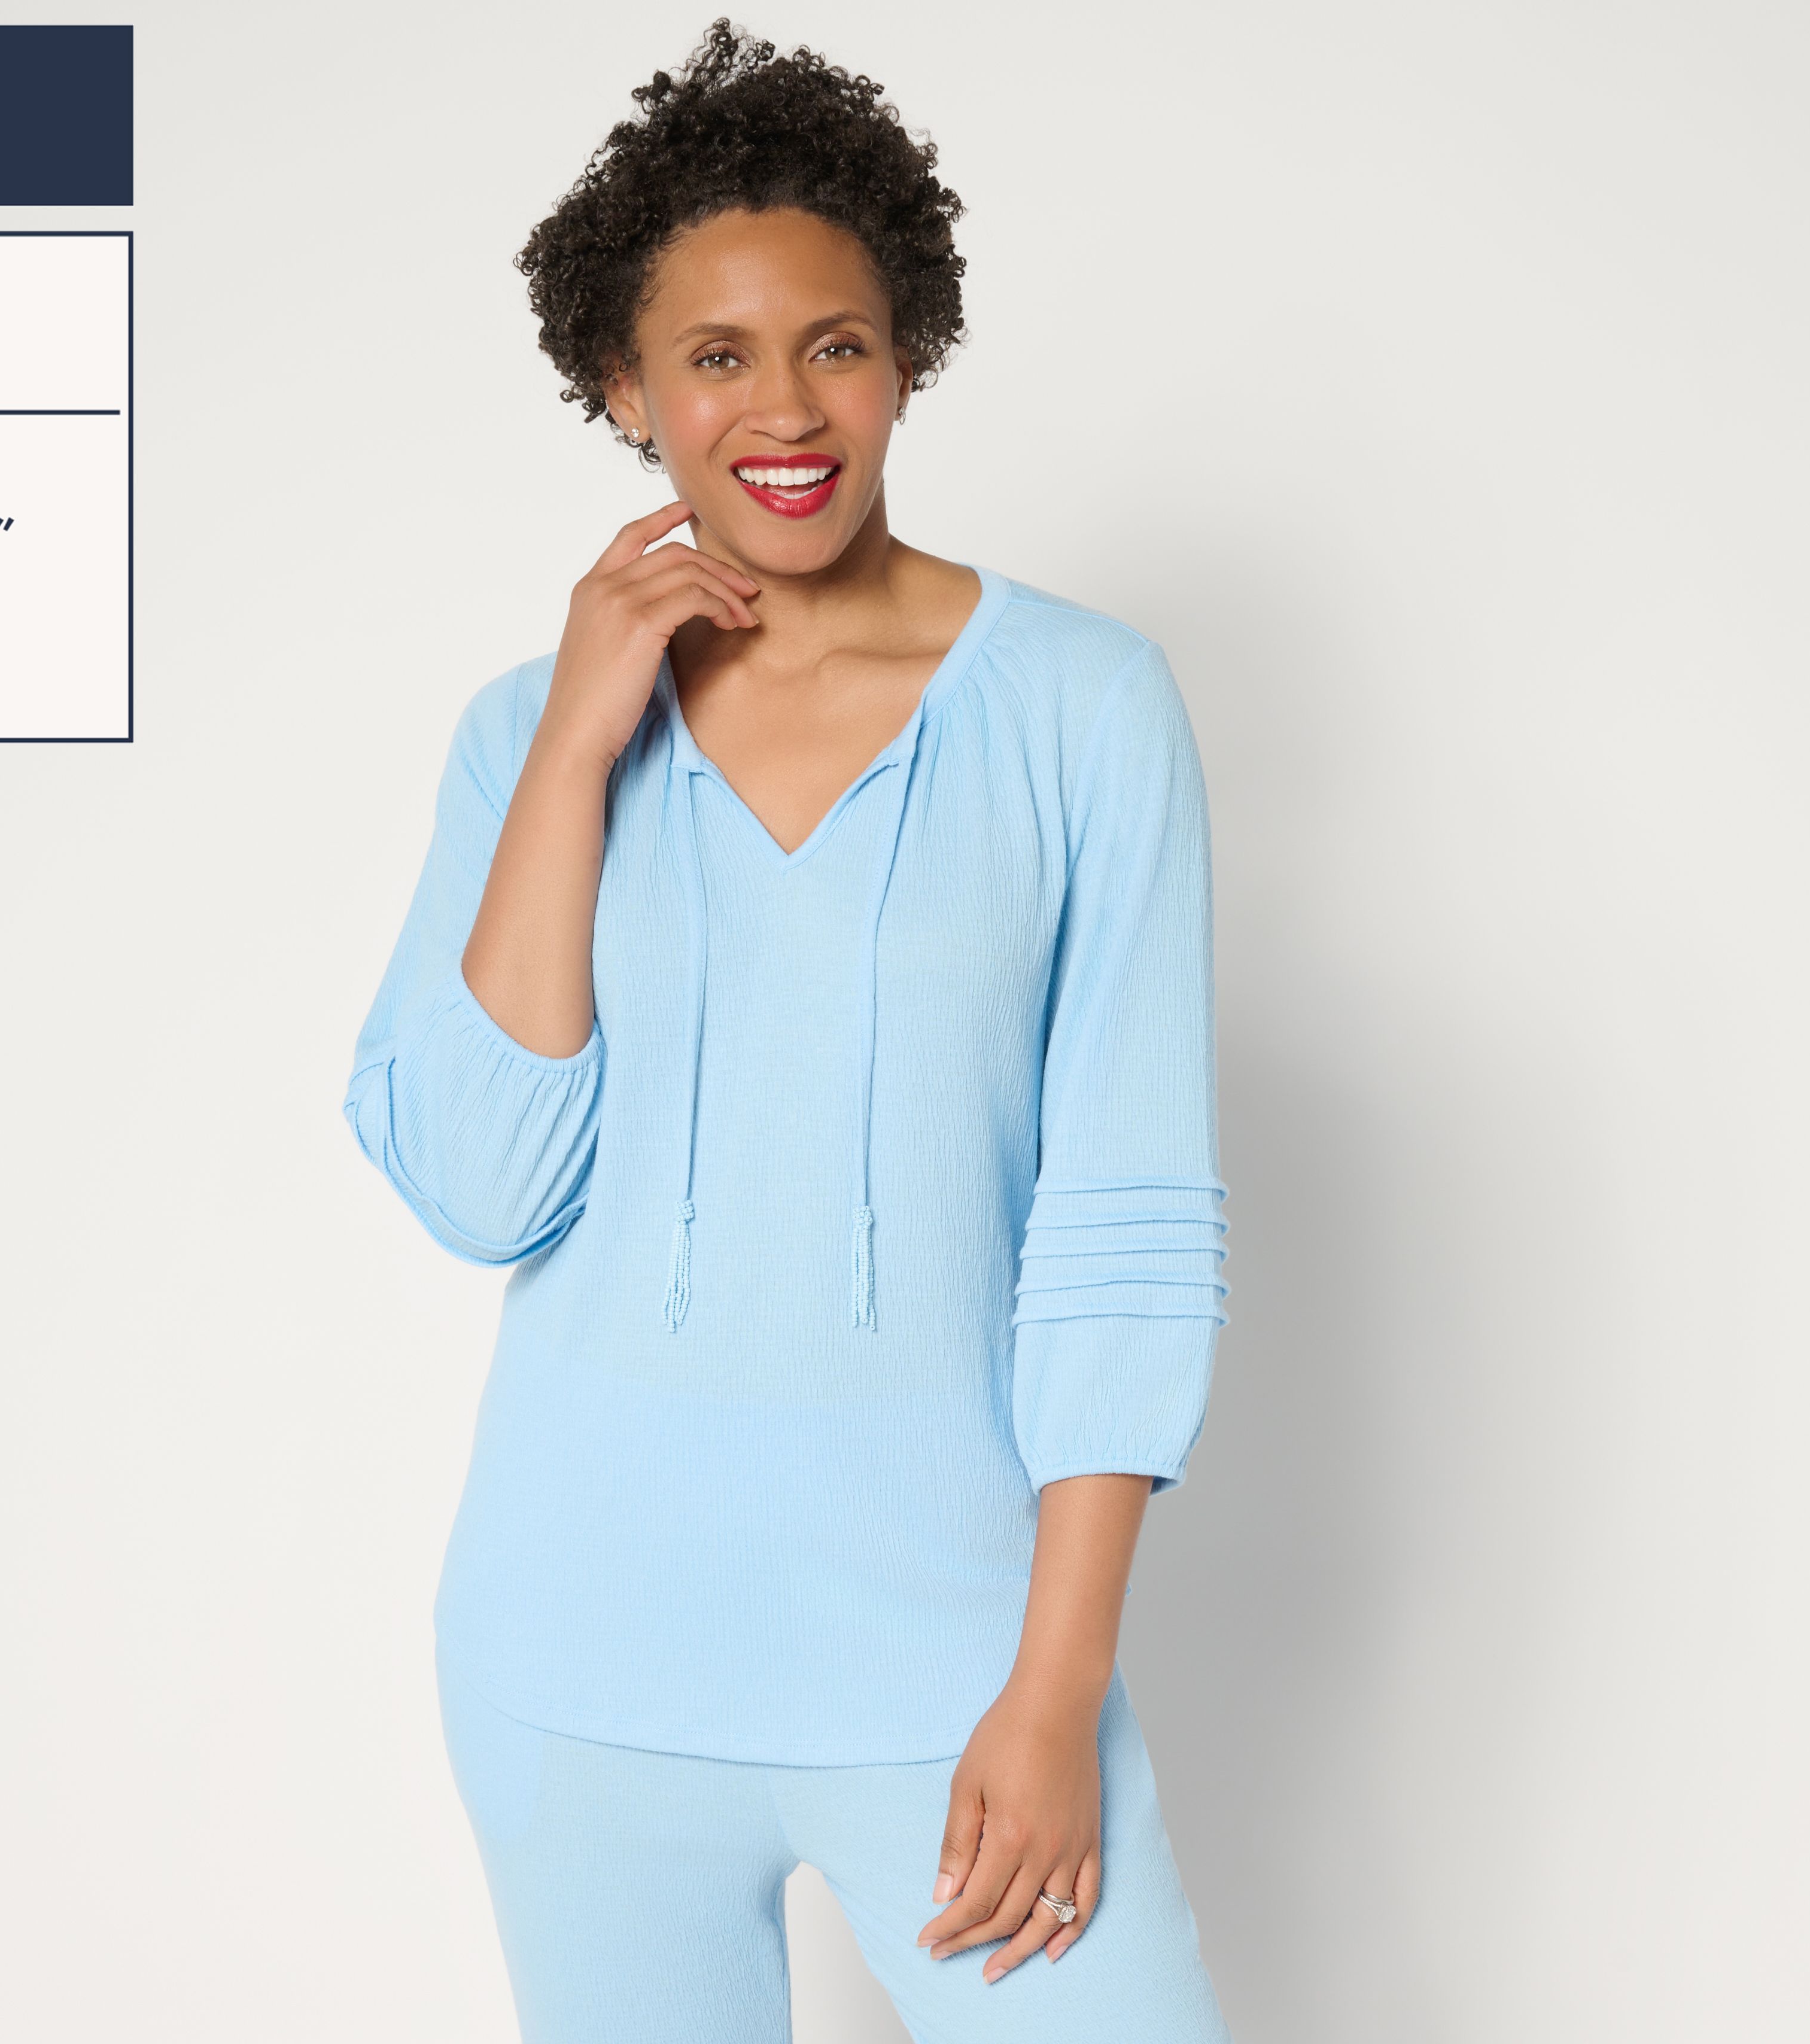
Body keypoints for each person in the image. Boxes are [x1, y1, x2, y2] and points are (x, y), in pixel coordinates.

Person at [346, 22, 1233, 2041]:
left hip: (957, 1664)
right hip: (575, 1666)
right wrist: (581, 738)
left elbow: (1124, 1218)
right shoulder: (522, 736)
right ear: (623, 387)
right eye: (715, 356)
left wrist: (1056, 1684)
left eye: (834, 344)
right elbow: (479, 1187)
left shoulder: (1081, 708)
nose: (784, 409)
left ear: (905, 353)